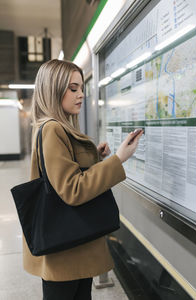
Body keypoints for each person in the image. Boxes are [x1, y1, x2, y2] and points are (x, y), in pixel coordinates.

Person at [24, 59, 143, 300]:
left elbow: (66, 174)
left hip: (71, 246)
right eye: (73, 88)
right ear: (53, 89)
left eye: (81, 89)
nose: (80, 95)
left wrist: (94, 158)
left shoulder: (59, 127)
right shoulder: (53, 129)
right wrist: (117, 159)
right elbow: (72, 189)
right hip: (66, 249)